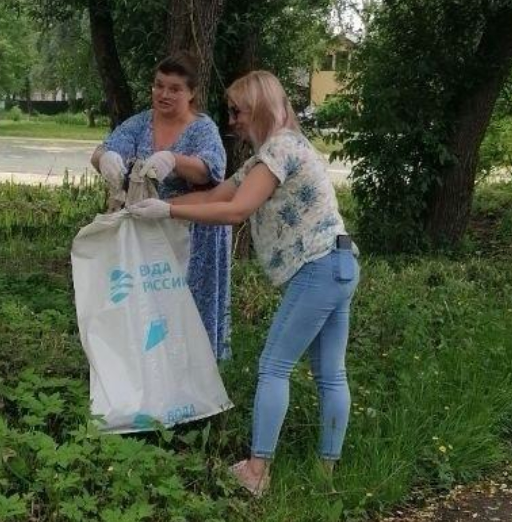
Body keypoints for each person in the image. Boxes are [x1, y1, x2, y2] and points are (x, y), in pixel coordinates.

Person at [128, 70, 360, 497]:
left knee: (274, 367)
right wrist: (160, 203)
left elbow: (235, 212)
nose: (231, 120)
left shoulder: (280, 149)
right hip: (341, 263)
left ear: (256, 107)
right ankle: (326, 475)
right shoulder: (270, 154)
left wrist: (169, 214)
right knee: (330, 375)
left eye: (236, 110)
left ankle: (257, 472)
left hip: (318, 267)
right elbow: (218, 194)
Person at [91, 52, 231, 360]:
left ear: (192, 93)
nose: (163, 94)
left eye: (174, 88)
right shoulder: (141, 123)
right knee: (148, 301)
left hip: (193, 232)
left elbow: (211, 170)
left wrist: (174, 160)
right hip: (148, 227)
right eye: (158, 86)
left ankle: (197, 373)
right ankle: (149, 369)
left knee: (189, 301)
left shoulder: (202, 128)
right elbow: (109, 146)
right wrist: (105, 158)